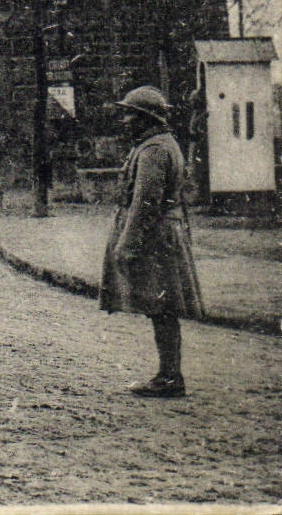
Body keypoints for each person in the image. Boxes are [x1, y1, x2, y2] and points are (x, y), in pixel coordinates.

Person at [99, 85, 204, 398]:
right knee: (162, 308)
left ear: (146, 118)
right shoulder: (158, 144)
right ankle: (169, 374)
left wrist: (127, 246)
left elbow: (146, 202)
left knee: (162, 308)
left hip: (157, 239)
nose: (125, 120)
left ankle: (170, 377)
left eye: (130, 114)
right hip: (163, 235)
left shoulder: (154, 151)